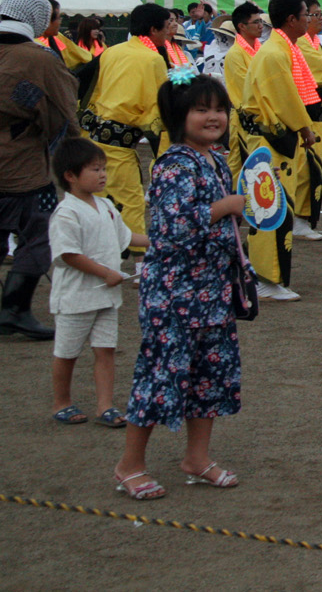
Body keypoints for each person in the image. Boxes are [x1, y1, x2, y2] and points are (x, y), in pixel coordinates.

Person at [114, 70, 248, 501]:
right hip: (175, 293)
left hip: (211, 290)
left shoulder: (212, 158)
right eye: (201, 109)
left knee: (210, 374)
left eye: (219, 109)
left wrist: (241, 214)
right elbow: (171, 229)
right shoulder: (174, 164)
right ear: (178, 115)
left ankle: (197, 458)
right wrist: (225, 206)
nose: (214, 117)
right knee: (161, 375)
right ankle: (129, 465)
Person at [48, 138, 146, 426]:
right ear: (70, 175)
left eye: (103, 168)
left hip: (106, 297)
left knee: (106, 350)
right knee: (67, 353)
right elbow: (68, 255)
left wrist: (162, 242)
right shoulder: (66, 213)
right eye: (95, 169)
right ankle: (61, 402)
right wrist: (105, 273)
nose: (103, 174)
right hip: (76, 298)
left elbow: (126, 238)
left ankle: (105, 406)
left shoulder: (105, 206)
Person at [0, 0, 80, 341]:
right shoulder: (40, 59)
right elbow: (63, 115)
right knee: (40, 234)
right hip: (22, 165)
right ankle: (14, 308)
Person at [238, 0, 320, 301]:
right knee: (269, 207)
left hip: (275, 138)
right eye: (306, 15)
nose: (309, 20)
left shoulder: (283, 50)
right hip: (269, 140)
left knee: (275, 205)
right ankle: (265, 278)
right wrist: (305, 127)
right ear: (291, 19)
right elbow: (283, 97)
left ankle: (268, 276)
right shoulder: (274, 53)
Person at [78, 2, 173, 240]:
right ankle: (140, 262)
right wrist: (165, 152)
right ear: (153, 29)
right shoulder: (153, 59)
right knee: (130, 202)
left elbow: (94, 93)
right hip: (122, 143)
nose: (170, 30)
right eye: (167, 26)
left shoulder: (111, 51)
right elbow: (157, 107)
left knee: (99, 199)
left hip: (97, 137)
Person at [291, 0, 322, 243]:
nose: (321, 18)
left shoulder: (312, 41)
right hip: (310, 113)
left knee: (318, 169)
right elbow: (317, 68)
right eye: (314, 14)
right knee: (308, 169)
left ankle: (305, 217)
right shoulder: (300, 42)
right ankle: (299, 218)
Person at [222, 3, 265, 181]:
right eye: (255, 22)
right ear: (241, 26)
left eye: (261, 21)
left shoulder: (260, 50)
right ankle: (231, 205)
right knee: (238, 166)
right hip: (244, 118)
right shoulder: (235, 54)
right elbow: (246, 89)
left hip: (260, 115)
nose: (260, 26)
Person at [37, 0, 93, 69]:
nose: (60, 22)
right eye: (58, 18)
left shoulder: (56, 37)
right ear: (47, 19)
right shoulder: (35, 44)